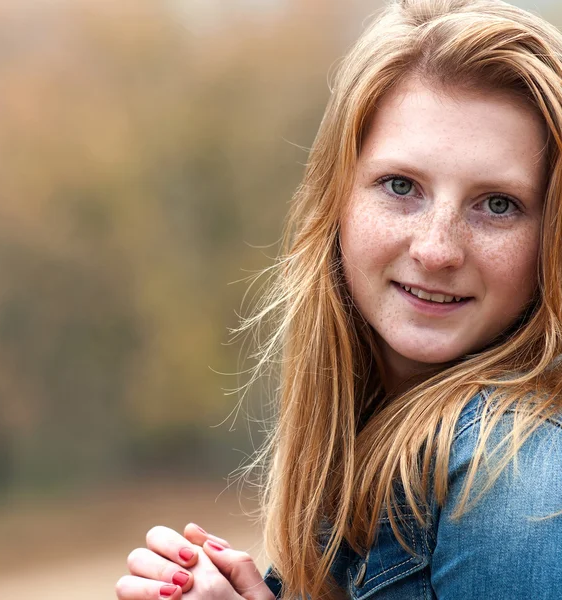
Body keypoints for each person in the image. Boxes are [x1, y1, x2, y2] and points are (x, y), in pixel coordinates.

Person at [115, 0, 562, 598]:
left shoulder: (514, 481)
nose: (437, 249)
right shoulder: (373, 449)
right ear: (337, 200)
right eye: (401, 186)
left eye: (498, 204)